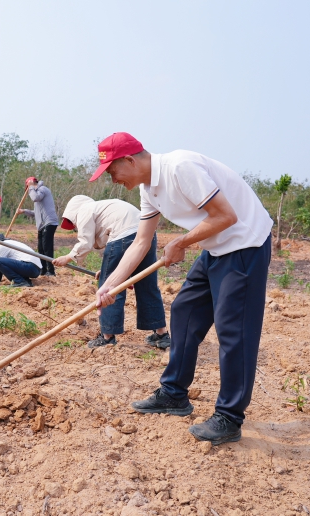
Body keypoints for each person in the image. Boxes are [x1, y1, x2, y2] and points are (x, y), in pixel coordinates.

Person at [91, 132, 273, 445]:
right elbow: (141, 242)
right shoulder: (149, 189)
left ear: (130, 160)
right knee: (185, 310)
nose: (113, 179)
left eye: (112, 171)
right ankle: (174, 394)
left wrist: (182, 241)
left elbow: (226, 216)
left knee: (234, 331)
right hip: (217, 247)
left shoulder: (180, 167)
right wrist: (110, 285)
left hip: (245, 244)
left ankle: (229, 417)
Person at [53, 195, 167, 348]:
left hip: (123, 237)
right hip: (146, 234)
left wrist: (67, 257)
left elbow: (86, 242)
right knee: (147, 285)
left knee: (109, 289)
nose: (74, 227)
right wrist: (109, 270)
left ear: (72, 212)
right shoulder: (105, 208)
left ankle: (107, 337)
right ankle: (161, 335)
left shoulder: (84, 210)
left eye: (72, 224)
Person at [17, 177, 58, 276]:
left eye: (28, 188)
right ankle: (43, 270)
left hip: (49, 222)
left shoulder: (42, 190)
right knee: (40, 248)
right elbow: (36, 213)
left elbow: (35, 198)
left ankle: (51, 271)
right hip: (42, 225)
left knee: (46, 247)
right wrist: (23, 211)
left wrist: (30, 187)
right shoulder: (38, 195)